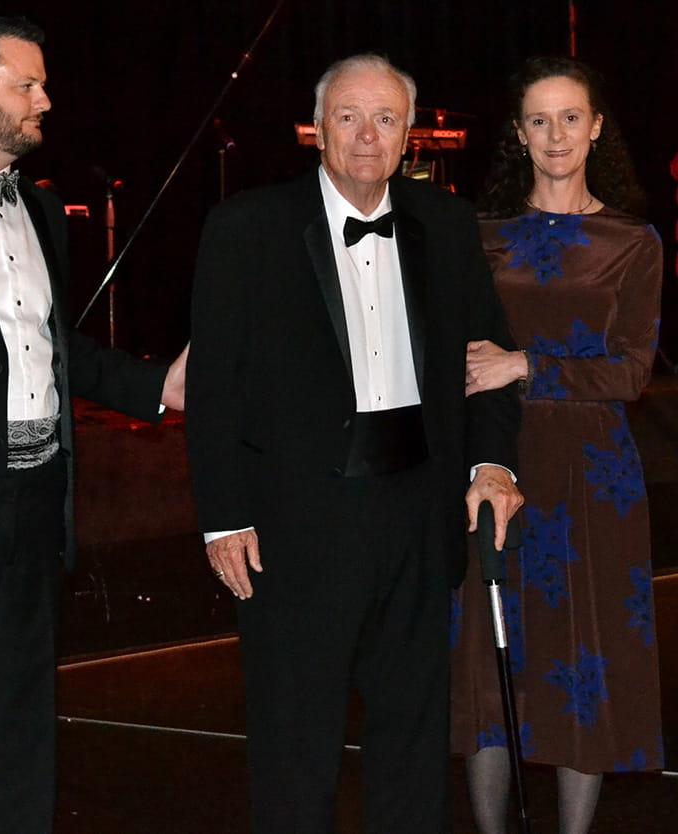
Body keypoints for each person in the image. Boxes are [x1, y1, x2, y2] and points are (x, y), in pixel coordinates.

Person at [186, 53, 523, 833]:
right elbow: (214, 389)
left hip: (418, 510)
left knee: (412, 739)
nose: (367, 136)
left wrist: (493, 462)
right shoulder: (246, 227)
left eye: (385, 119)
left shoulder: (446, 223)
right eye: (348, 117)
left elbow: (489, 361)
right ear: (316, 130)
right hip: (296, 524)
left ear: (410, 134)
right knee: (294, 744)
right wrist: (223, 515)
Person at [0, 16, 186, 834]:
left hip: (34, 513)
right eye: (28, 84)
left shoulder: (43, 214)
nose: (46, 99)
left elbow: (57, 350)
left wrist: (161, 384)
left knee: (16, 744)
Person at [450, 56, 663, 834]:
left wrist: (524, 364)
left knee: (585, 655)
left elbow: (633, 371)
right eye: (538, 120)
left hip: (593, 472)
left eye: (571, 117)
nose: (556, 135)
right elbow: (458, 351)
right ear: (518, 134)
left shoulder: (632, 241)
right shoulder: (481, 238)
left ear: (597, 126)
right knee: (487, 653)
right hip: (495, 458)